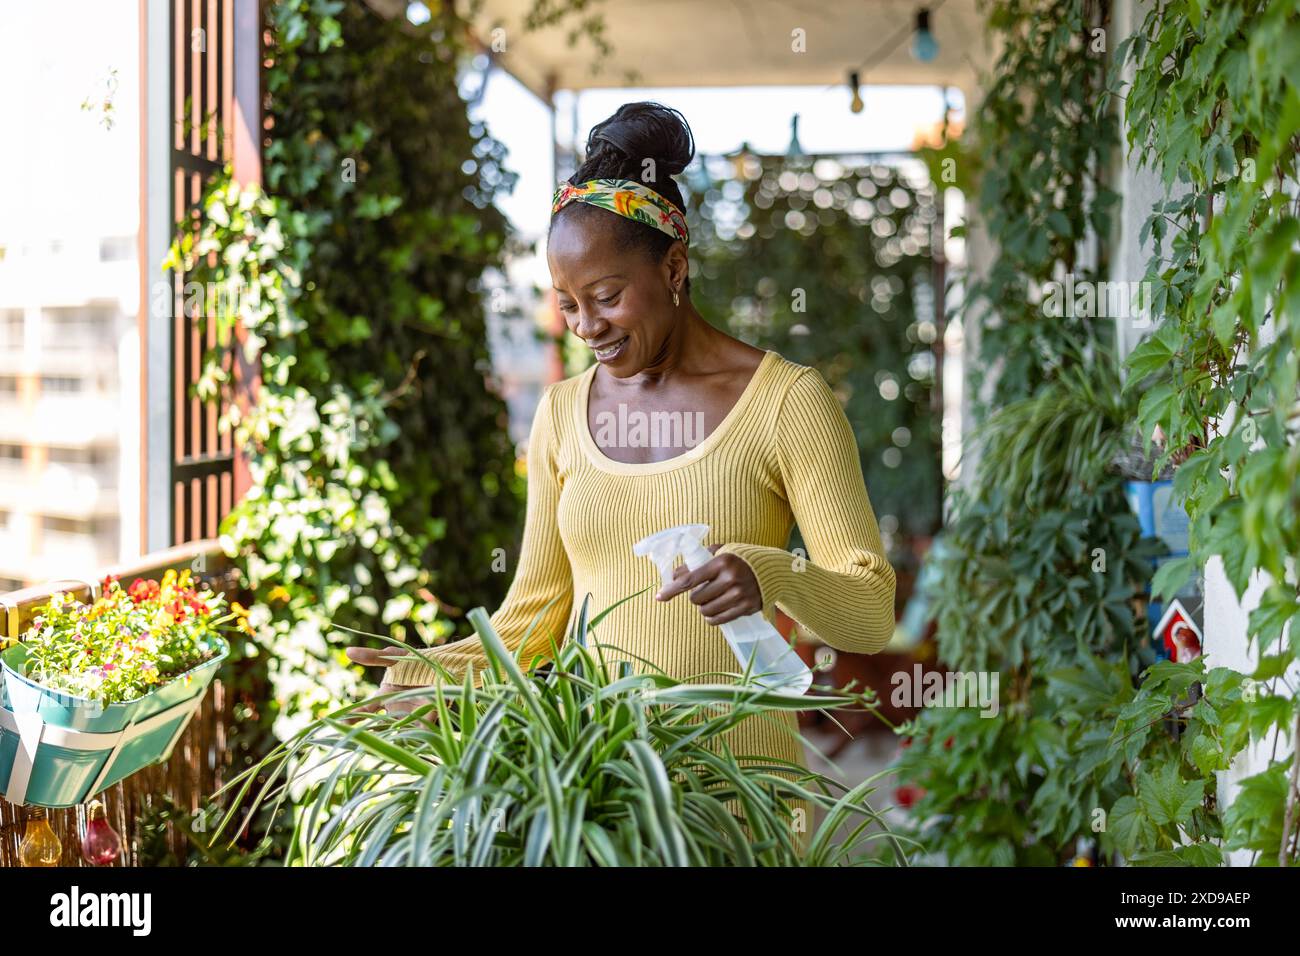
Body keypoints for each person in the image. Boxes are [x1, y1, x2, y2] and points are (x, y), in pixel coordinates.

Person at [346, 101, 896, 859]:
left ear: (674, 267)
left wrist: (768, 573)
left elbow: (868, 612)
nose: (587, 326)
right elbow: (533, 621)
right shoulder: (562, 415)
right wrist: (417, 674)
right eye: (568, 304)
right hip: (601, 811)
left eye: (606, 297)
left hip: (743, 809)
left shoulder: (786, 403)